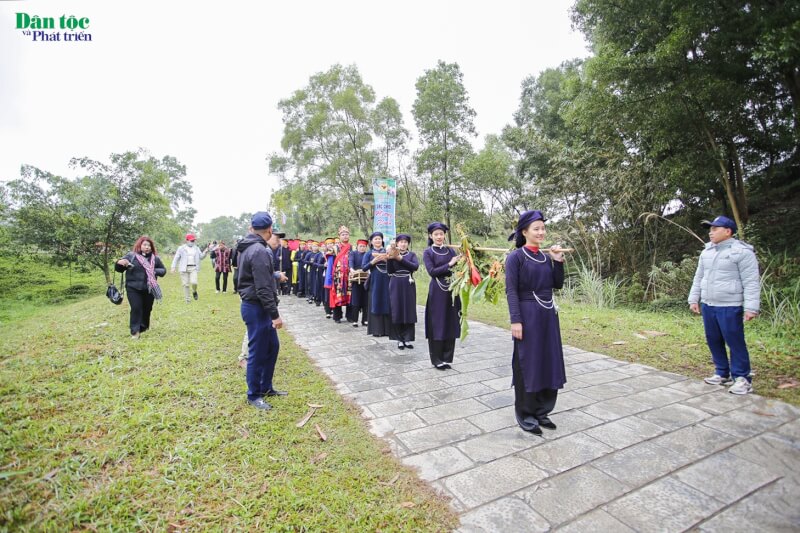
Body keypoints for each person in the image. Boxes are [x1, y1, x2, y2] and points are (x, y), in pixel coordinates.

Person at [505, 210, 566, 435]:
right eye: (536, 228)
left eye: (543, 228)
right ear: (524, 232)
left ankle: (542, 411)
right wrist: (516, 320)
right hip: (527, 315)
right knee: (527, 362)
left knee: (548, 361)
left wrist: (558, 262)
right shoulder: (516, 258)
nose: (541, 232)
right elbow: (511, 291)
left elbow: (557, 284)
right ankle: (526, 413)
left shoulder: (545, 257)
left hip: (548, 315)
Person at [689, 215, 760, 395]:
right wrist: (693, 298)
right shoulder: (707, 252)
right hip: (708, 304)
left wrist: (751, 307)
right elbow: (699, 277)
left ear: (728, 231)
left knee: (734, 340)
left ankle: (742, 378)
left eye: (715, 229)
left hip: (730, 304)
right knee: (713, 339)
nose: (710, 232)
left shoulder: (742, 252)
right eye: (710, 229)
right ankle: (722, 372)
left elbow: (751, 282)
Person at [236, 212, 286, 410]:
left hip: (257, 304)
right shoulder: (258, 250)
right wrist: (275, 315)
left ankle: (266, 386)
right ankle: (254, 394)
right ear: (270, 229)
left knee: (272, 347)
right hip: (257, 307)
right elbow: (263, 288)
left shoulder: (250, 246)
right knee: (257, 352)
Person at [423, 222, 462, 369]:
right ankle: (437, 359)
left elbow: (457, 267)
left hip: (452, 290)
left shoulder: (450, 250)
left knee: (451, 322)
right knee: (437, 323)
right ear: (430, 236)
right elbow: (432, 271)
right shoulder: (428, 252)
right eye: (436, 234)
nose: (439, 237)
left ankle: (446, 358)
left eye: (441, 234)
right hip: (437, 291)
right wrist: (450, 264)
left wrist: (463, 259)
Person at [115, 236, 166, 339]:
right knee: (136, 308)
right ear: (139, 245)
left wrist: (153, 271)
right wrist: (120, 263)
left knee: (147, 309)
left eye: (149, 245)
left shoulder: (155, 259)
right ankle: (135, 332)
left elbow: (163, 270)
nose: (147, 247)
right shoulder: (131, 256)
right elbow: (119, 269)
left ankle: (143, 326)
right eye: (144, 245)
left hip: (149, 288)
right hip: (133, 288)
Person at [387, 233, 419, 349]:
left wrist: (400, 259)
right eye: (401, 242)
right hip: (395, 283)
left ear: (408, 244)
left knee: (409, 310)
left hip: (408, 282)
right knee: (397, 310)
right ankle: (399, 339)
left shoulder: (412, 255)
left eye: (405, 242)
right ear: (397, 243)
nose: (403, 244)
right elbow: (390, 271)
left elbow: (415, 267)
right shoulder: (392, 253)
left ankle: (408, 338)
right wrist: (391, 258)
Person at [362, 232, 392, 337]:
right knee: (376, 302)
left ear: (382, 240)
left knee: (387, 301)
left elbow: (394, 265)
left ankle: (388, 330)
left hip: (387, 280)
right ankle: (377, 330)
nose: (378, 241)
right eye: (375, 239)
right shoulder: (368, 254)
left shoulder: (388, 252)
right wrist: (373, 261)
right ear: (371, 241)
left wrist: (387, 260)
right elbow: (364, 268)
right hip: (375, 281)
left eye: (379, 238)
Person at [171, 233, 209, 303]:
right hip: (183, 268)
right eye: (191, 241)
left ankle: (194, 291)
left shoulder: (196, 248)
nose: (193, 242)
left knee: (194, 282)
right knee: (185, 284)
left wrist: (205, 252)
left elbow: (201, 257)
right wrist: (173, 267)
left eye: (194, 241)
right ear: (187, 240)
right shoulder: (181, 248)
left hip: (193, 268)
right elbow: (176, 258)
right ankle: (187, 300)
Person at [330, 226, 352, 323]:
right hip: (337, 275)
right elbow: (329, 260)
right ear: (339, 236)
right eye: (343, 234)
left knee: (350, 294)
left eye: (346, 234)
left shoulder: (352, 247)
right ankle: (337, 316)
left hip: (350, 275)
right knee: (337, 294)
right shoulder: (335, 248)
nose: (345, 236)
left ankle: (350, 316)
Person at [348, 238, 370, 327]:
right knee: (355, 300)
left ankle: (365, 320)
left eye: (364, 246)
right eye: (360, 246)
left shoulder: (367, 254)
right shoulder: (353, 253)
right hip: (356, 279)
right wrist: (352, 269)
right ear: (357, 246)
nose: (362, 248)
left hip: (366, 279)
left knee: (366, 300)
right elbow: (350, 262)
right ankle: (355, 320)